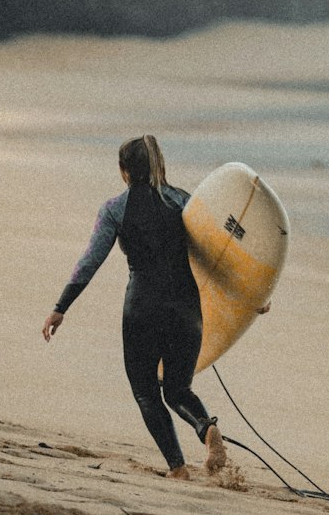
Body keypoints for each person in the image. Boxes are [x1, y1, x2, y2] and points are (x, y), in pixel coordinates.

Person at [42, 135, 227, 480]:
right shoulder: (184, 202)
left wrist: (61, 307)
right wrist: (252, 297)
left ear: (123, 171)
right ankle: (205, 428)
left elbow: (90, 261)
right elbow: (218, 254)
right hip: (187, 309)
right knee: (178, 389)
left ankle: (178, 468)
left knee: (145, 391)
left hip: (143, 308)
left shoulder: (114, 209)